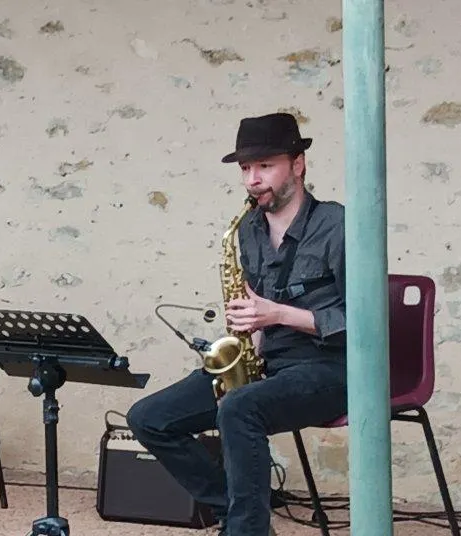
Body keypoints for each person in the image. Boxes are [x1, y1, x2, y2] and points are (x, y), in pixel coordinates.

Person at [126, 113, 348, 536]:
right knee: (149, 418)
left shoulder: (338, 225)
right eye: (246, 168)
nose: (252, 180)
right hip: (269, 362)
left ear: (298, 164)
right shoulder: (248, 229)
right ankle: (237, 512)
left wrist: (278, 315)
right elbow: (255, 307)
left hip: (331, 367)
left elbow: (365, 322)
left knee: (240, 407)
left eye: (265, 166)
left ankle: (247, 528)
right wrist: (248, 347)